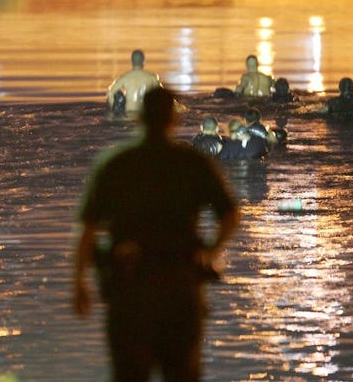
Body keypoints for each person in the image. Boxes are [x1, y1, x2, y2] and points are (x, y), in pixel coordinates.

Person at [73, 87, 239, 382]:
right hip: (180, 288)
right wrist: (210, 253)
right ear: (173, 119)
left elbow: (88, 230)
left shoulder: (115, 164)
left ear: (139, 119)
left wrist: (79, 284)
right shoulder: (192, 164)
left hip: (130, 289)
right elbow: (230, 215)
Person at [106, 49, 161, 115]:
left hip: (128, 115)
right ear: (143, 61)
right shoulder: (152, 78)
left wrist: (115, 109)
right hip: (145, 116)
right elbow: (164, 96)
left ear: (131, 61)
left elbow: (110, 93)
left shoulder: (124, 78)